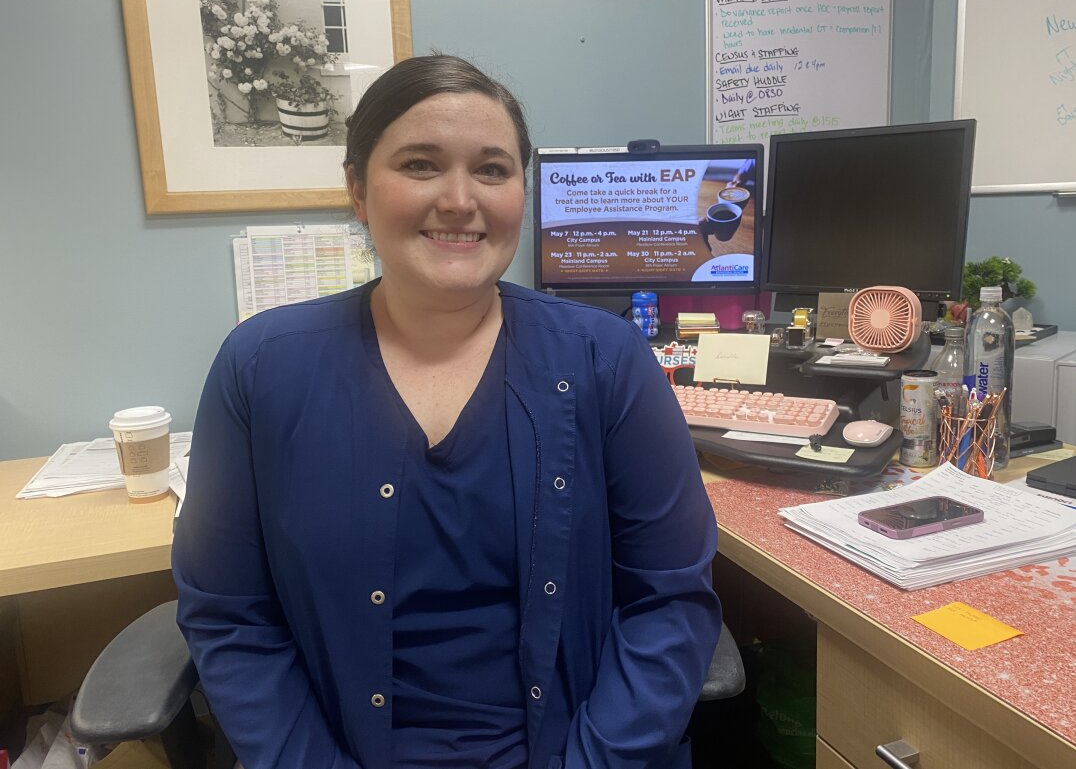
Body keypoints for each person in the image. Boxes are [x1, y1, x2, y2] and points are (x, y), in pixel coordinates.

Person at [173, 54, 722, 769]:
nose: (460, 199)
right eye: (421, 164)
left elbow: (670, 603)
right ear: (358, 191)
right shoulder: (259, 370)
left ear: (522, 192)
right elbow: (230, 616)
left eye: (492, 170)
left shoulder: (607, 360)